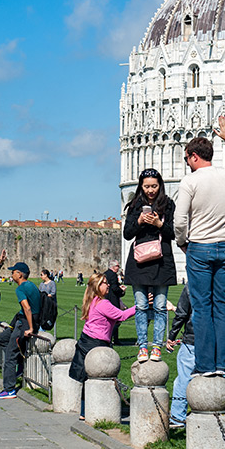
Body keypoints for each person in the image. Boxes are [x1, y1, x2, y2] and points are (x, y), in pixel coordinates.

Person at [174, 115, 225, 376]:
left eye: (187, 158)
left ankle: (205, 365)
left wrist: (182, 242)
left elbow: (180, 220)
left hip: (200, 247)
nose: (187, 163)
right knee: (221, 304)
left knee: (202, 306)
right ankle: (221, 364)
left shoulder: (190, 181)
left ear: (194, 156)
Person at [123, 168, 177, 363]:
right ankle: (142, 346)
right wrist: (139, 220)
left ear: (160, 185)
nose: (150, 190)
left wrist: (158, 224)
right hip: (139, 261)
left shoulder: (168, 204)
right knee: (141, 306)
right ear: (141, 186)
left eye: (154, 186)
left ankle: (157, 347)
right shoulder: (135, 205)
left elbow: (173, 233)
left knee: (161, 306)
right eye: (146, 186)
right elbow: (127, 234)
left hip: (161, 260)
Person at [69, 273, 136, 419]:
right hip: (97, 343)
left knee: (87, 378)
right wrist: (139, 306)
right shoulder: (103, 303)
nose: (108, 285)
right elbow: (122, 316)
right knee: (103, 376)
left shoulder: (92, 300)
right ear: (98, 286)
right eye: (105, 283)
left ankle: (84, 412)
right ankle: (103, 410)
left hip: (86, 340)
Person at [0, 261, 42, 399]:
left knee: (10, 356)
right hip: (23, 321)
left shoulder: (20, 288)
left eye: (13, 272)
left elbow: (27, 308)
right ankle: (20, 364)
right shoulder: (31, 285)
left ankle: (9, 389)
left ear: (19, 274)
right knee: (2, 339)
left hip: (24, 324)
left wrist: (31, 328)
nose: (11, 274)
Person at [166, 286, 195, 428]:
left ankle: (178, 416)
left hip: (193, 339)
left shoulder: (191, 286)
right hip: (216, 341)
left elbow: (181, 314)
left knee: (183, 379)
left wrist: (172, 335)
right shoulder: (222, 283)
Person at [102, 261, 127, 345]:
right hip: (113, 299)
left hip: (106, 298)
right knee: (116, 320)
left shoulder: (105, 274)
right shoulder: (113, 275)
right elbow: (114, 288)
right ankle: (114, 338)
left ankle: (111, 338)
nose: (118, 268)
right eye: (117, 266)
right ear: (113, 266)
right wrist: (122, 290)